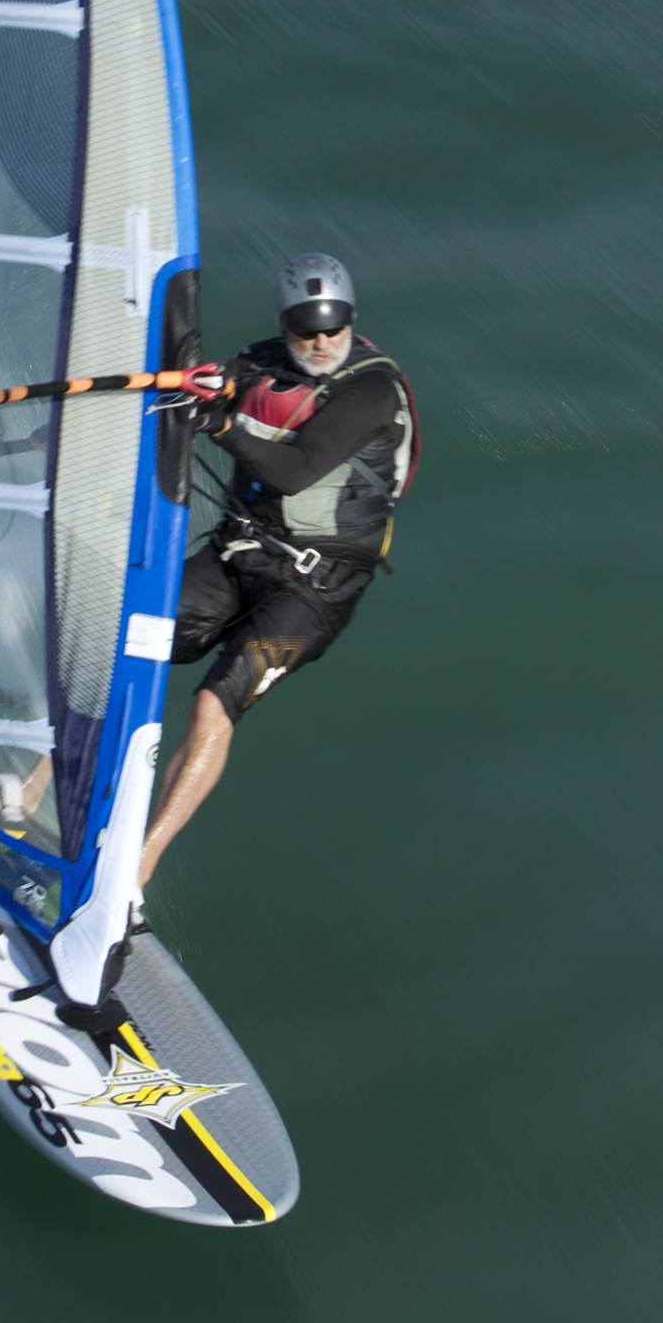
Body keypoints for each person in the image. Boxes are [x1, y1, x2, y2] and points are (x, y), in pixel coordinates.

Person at [138, 252, 417, 889]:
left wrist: (220, 426)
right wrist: (194, 390)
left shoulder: (372, 391)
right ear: (284, 326)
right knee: (127, 643)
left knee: (214, 702)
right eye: (306, 332)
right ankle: (32, 787)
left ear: (350, 322)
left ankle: (135, 871)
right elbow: (202, 387)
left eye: (334, 329)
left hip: (318, 588)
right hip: (240, 553)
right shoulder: (259, 362)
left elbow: (294, 471)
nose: (321, 344)